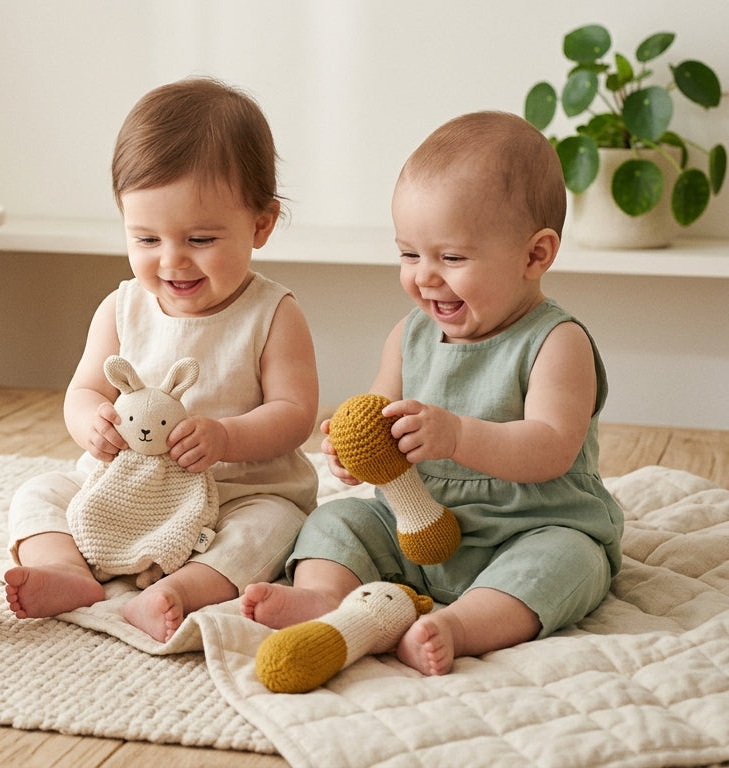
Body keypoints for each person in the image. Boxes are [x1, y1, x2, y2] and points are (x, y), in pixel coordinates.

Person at [241, 111, 623, 676]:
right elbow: (379, 421)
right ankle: (325, 597)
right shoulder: (410, 335)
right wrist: (354, 454)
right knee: (333, 521)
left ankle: (464, 624)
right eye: (408, 254)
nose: (425, 276)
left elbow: (551, 448)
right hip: (416, 524)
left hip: (527, 528)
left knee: (570, 563)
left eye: (451, 258)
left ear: (535, 255)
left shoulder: (555, 342)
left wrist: (457, 435)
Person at [4, 77, 320, 643]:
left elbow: (295, 413)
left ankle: (179, 590)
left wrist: (226, 437)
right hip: (127, 493)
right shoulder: (122, 308)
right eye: (146, 239)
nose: (172, 261)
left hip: (233, 493)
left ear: (261, 225)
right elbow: (83, 392)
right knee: (38, 492)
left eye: (199, 239)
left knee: (277, 528)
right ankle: (67, 572)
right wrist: (91, 423)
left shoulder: (273, 313)